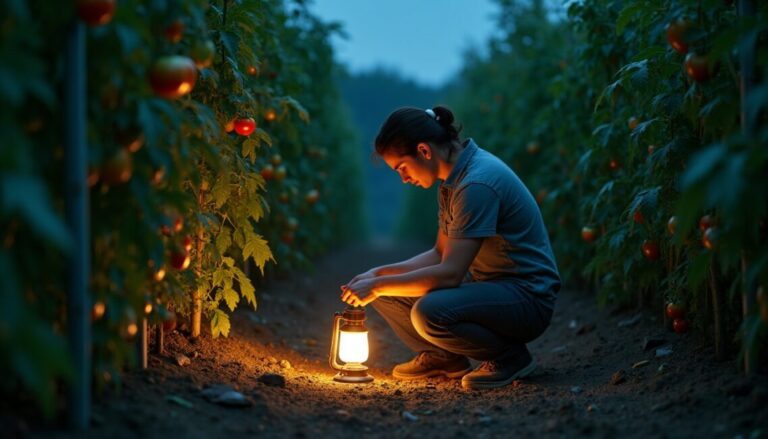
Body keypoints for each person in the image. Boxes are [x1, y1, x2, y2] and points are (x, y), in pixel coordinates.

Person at [340, 106, 560, 390]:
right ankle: (443, 357)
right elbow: (439, 254)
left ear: (424, 150)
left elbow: (450, 273)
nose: (404, 178)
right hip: (494, 288)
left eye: (402, 168)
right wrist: (377, 275)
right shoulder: (454, 181)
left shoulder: (476, 184)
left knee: (427, 311)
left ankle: (509, 357)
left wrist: (379, 283)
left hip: (527, 297)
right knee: (381, 290)